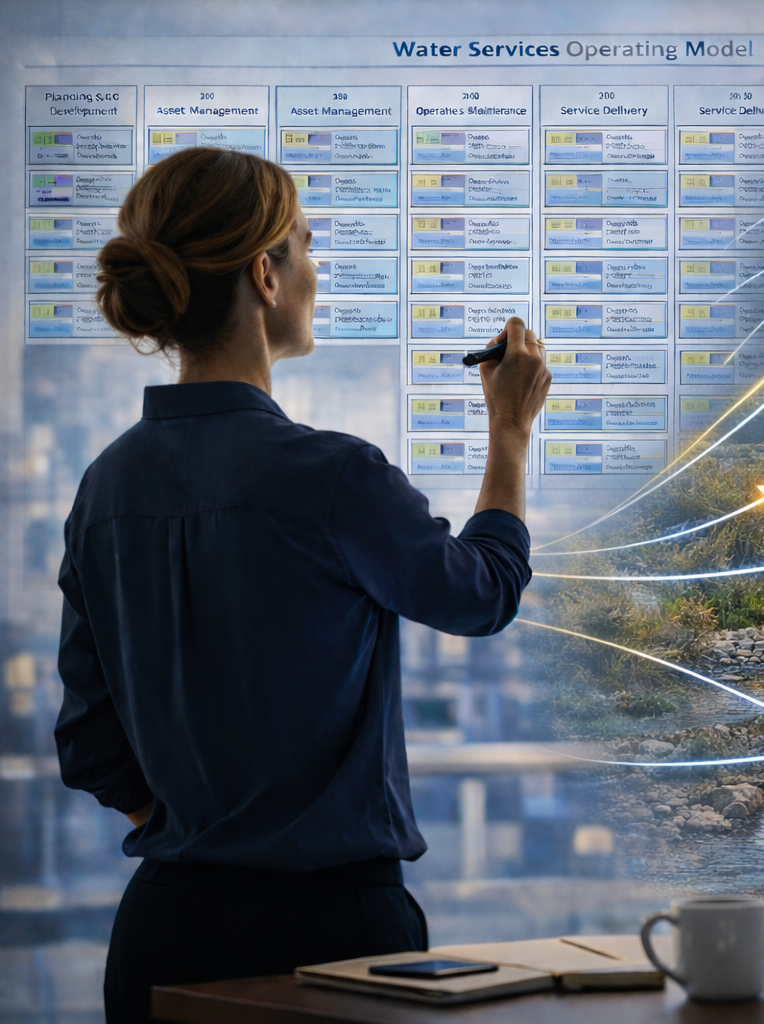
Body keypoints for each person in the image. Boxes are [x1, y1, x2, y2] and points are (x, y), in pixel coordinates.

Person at [54, 147, 552, 1023]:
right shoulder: (332, 478)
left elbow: (90, 744)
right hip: (332, 936)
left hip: (163, 931)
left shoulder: (105, 487)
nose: (316, 271)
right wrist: (509, 429)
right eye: (308, 246)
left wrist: (210, 837)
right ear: (265, 275)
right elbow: (483, 593)